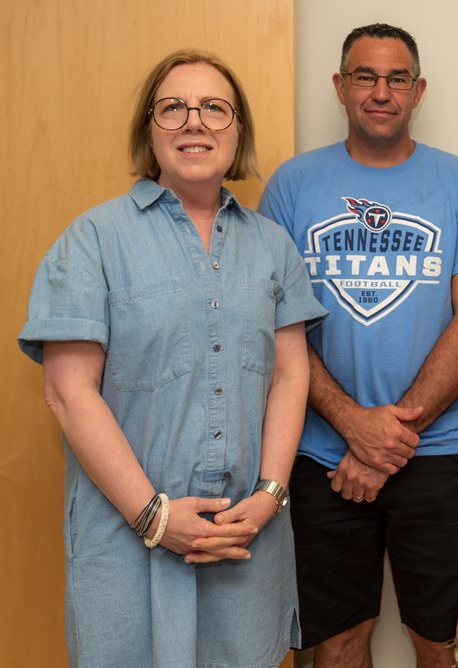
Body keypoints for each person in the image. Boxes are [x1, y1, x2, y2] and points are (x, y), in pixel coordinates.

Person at [17, 49, 325, 667]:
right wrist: (153, 516)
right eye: (173, 108)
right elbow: (68, 392)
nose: (194, 121)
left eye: (215, 108)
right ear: (148, 131)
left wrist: (268, 495)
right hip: (125, 538)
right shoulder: (92, 241)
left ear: (237, 133)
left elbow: (292, 372)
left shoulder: (273, 245)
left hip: (247, 537)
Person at [258, 23, 458, 668]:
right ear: (340, 87)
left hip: (438, 455)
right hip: (322, 455)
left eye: (396, 78)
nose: (381, 92)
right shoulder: (291, 185)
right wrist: (352, 427)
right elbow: (271, 325)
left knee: (448, 642)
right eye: (365, 77)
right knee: (337, 642)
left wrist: (385, 443)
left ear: (418, 89)